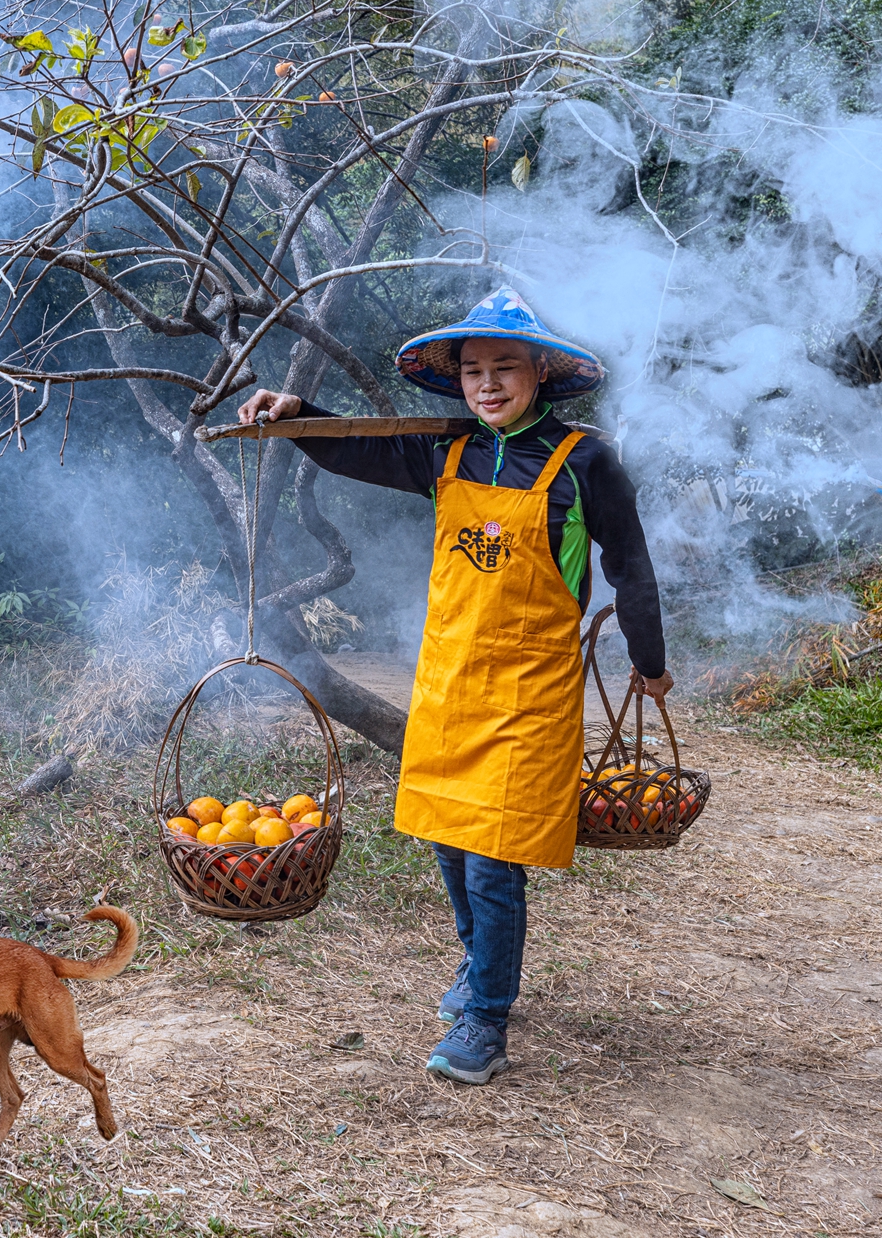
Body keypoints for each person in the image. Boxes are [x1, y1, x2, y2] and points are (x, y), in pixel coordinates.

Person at [237, 288, 671, 1086]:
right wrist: (298, 410)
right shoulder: (448, 451)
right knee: (447, 837)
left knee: (491, 858)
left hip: (530, 692)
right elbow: (355, 449)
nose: (488, 385)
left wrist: (649, 660)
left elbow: (629, 564)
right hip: (449, 681)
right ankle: (480, 967)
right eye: (474, 371)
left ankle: (487, 1021)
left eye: (505, 367)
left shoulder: (585, 462)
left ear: (541, 372)